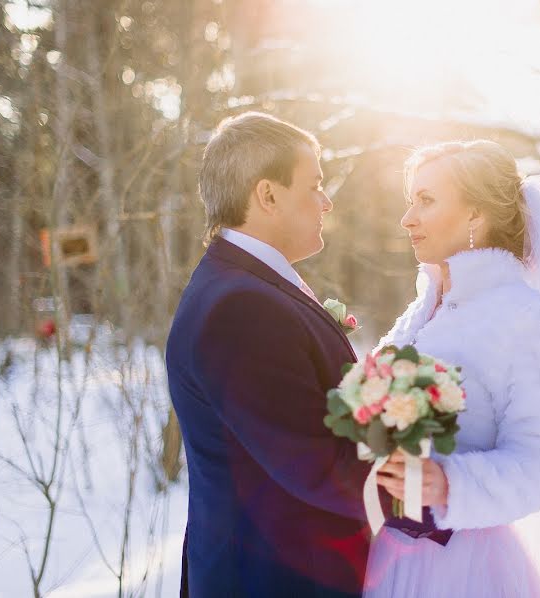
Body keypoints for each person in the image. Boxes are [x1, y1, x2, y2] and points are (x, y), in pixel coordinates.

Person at [365, 141, 540, 598]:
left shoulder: (524, 318)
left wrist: (449, 484)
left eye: (426, 201)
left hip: (463, 570)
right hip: (387, 553)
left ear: (476, 215)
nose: (407, 218)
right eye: (410, 201)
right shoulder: (420, 310)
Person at [166, 111, 387, 597]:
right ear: (267, 195)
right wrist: (430, 490)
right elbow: (315, 464)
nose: (327, 202)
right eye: (314, 185)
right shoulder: (240, 307)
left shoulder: (243, 284)